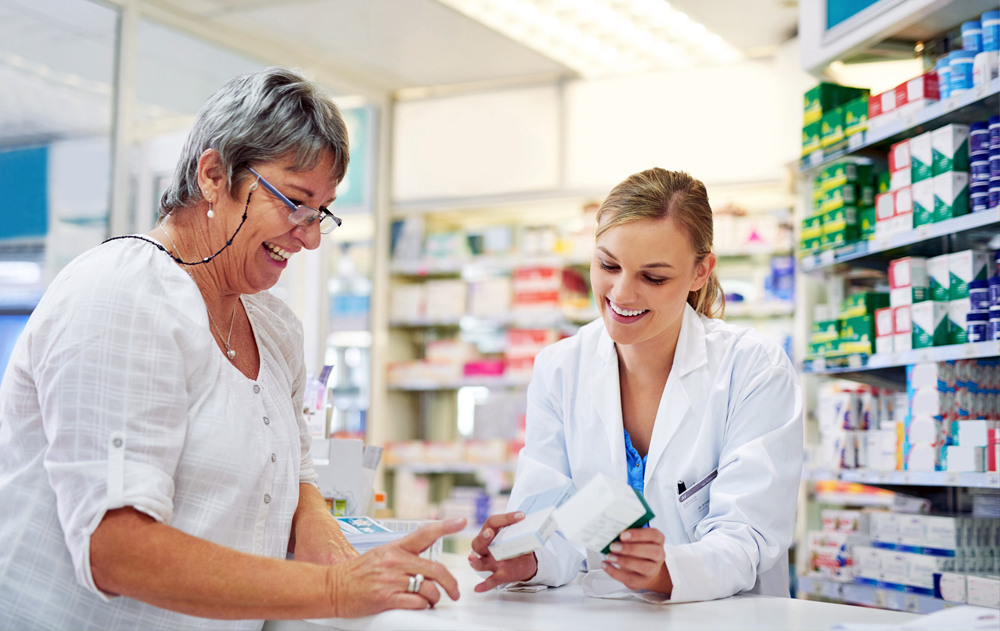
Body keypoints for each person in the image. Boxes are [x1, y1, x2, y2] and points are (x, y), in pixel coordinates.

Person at [0, 67, 464, 631]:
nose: (311, 234)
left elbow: (291, 470)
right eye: (295, 201)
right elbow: (114, 546)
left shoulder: (272, 325)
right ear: (215, 175)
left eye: (322, 210)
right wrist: (335, 590)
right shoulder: (123, 294)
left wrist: (336, 552)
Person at [469, 168, 802, 603]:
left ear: (701, 271)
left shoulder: (754, 369)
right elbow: (551, 522)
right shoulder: (561, 368)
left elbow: (748, 536)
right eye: (608, 265)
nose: (622, 294)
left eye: (654, 277)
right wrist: (527, 558)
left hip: (722, 618)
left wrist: (669, 572)